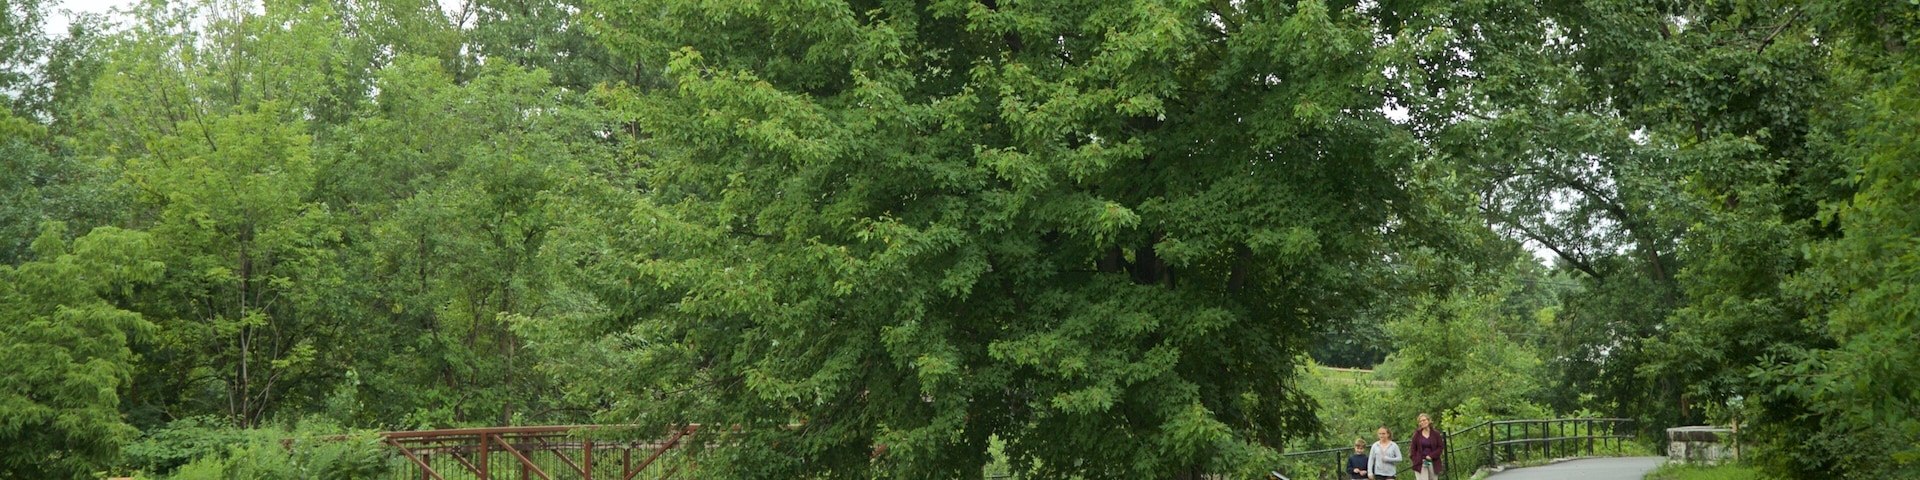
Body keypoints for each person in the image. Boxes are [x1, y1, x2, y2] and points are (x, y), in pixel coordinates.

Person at [1409, 413, 1446, 480]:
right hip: (1420, 462)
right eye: (1420, 421)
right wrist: (1415, 460)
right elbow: (1412, 449)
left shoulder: (1436, 434)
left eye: (1424, 420)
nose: (1422, 422)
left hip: (1431, 461)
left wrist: (1431, 456)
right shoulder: (1417, 435)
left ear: (1429, 421)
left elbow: (1440, 447)